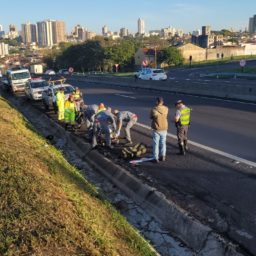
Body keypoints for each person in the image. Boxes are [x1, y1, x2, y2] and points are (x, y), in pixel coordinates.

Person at [150, 97, 169, 163]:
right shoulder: (166, 108)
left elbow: (151, 117)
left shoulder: (154, 109)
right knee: (163, 142)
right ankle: (163, 156)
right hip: (164, 127)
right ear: (162, 102)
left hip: (157, 128)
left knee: (156, 143)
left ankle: (155, 158)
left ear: (157, 102)